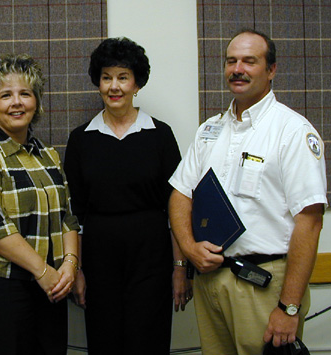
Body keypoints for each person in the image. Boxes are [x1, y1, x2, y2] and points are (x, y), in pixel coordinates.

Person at [169, 29, 327, 355]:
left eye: (249, 61)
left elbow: (310, 223)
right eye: (231, 61)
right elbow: (180, 194)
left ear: (271, 70)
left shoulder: (292, 131)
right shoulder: (209, 130)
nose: (237, 69)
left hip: (264, 283)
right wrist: (188, 247)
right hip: (211, 281)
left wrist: (289, 308)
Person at [63, 37, 192, 354]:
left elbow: (176, 206)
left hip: (152, 257)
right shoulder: (81, 139)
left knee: (148, 339)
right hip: (98, 258)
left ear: (137, 83)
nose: (114, 86)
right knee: (104, 340)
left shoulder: (160, 135)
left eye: (123, 77)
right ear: (98, 82)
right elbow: (74, 212)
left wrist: (179, 268)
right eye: (106, 77)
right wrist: (77, 270)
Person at [0, 53, 80, 355]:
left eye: (25, 93)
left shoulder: (47, 154)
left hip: (49, 284)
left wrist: (70, 266)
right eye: (5, 95)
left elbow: (67, 218)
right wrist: (44, 272)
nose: (17, 102)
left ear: (36, 101)